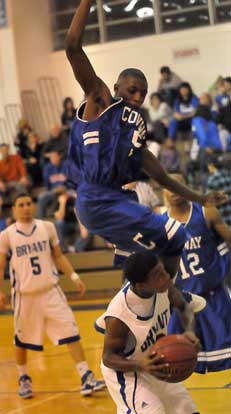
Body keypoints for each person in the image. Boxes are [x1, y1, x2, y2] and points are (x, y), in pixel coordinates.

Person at [65, 0, 226, 274]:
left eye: (143, 92)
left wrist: (201, 199)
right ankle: (170, 296)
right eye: (132, 90)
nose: (138, 97)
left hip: (114, 200)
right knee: (170, 240)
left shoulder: (135, 132)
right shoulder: (101, 98)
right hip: (93, 194)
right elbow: (72, 47)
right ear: (116, 88)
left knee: (155, 253)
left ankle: (165, 298)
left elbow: (162, 177)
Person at [0, 193, 105, 398]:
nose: (25, 207)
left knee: (70, 330)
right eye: (21, 205)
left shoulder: (47, 227)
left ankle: (85, 376)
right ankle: (24, 378)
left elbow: (58, 256)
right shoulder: (6, 235)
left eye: (29, 203)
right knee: (21, 339)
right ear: (14, 209)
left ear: (34, 205)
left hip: (51, 291)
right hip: (25, 295)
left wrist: (74, 277)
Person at [100, 252, 200, 414]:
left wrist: (189, 332)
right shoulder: (119, 313)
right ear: (141, 286)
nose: (166, 276)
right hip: (128, 372)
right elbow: (108, 358)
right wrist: (140, 365)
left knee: (188, 411)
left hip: (157, 363)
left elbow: (184, 308)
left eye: (162, 270)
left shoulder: (164, 285)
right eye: (158, 275)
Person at [163, 175, 231, 373]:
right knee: (180, 359)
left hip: (212, 294)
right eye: (169, 187)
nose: (175, 191)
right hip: (182, 300)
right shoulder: (159, 222)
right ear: (163, 192)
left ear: (187, 187)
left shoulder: (206, 212)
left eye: (179, 186)